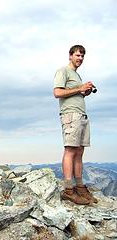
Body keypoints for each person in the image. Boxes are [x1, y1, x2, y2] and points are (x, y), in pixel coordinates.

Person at [53, 45, 98, 205]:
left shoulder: (76, 75)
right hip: (71, 115)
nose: (80, 58)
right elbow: (57, 92)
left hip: (81, 115)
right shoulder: (63, 71)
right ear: (70, 55)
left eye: (82, 56)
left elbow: (72, 93)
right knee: (70, 150)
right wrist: (79, 88)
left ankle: (79, 187)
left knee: (79, 150)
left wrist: (83, 92)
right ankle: (68, 190)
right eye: (78, 55)